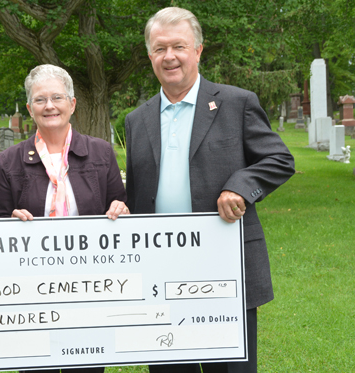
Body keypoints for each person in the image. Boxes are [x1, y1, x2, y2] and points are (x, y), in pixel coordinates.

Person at [125, 7, 295, 373]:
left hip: (225, 266)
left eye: (179, 46)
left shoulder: (237, 103)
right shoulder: (136, 120)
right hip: (162, 273)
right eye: (160, 48)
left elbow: (280, 159)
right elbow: (137, 195)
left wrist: (240, 186)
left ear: (198, 51)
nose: (169, 56)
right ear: (150, 55)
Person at [0, 64, 128, 373]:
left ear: (72, 103)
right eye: (40, 100)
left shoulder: (101, 154)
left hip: (90, 291)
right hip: (32, 295)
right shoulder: (9, 161)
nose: (49, 106)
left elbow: (120, 207)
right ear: (29, 108)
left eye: (57, 97)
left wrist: (121, 210)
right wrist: (7, 223)